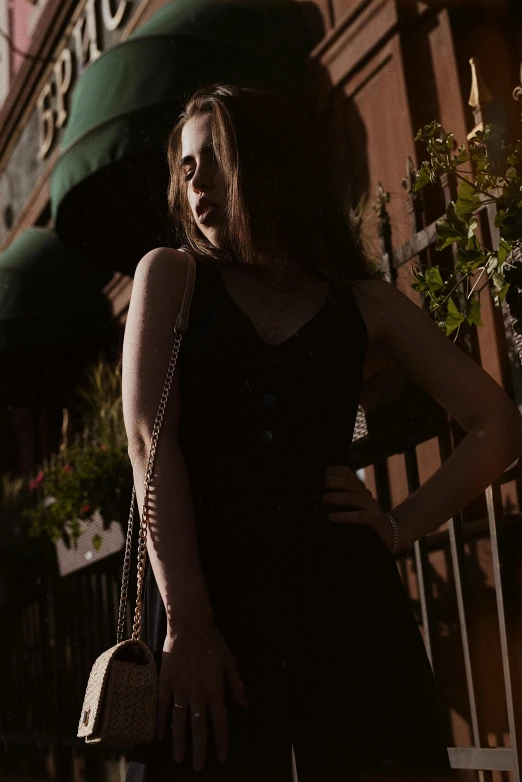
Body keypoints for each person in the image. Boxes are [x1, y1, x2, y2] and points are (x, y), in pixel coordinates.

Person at [122, 84, 522, 781]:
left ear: (270, 164)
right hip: (212, 610)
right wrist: (187, 621)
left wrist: (399, 526)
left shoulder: (361, 303)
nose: (198, 182)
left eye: (216, 156)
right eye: (185, 168)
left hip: (347, 606)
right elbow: (148, 447)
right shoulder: (173, 276)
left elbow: (497, 423)